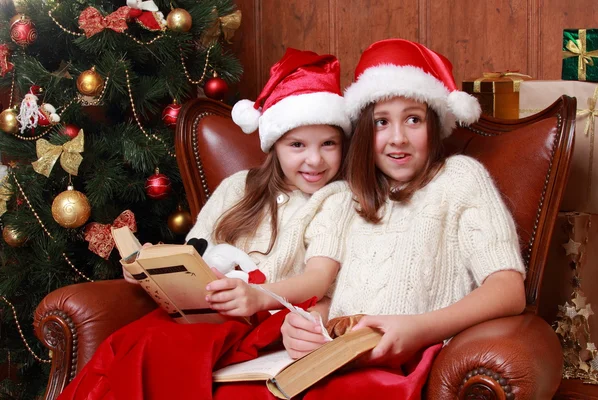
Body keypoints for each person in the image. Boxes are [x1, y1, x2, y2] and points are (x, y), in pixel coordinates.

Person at [215, 38, 527, 399]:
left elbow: (508, 290)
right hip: (337, 358)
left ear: (434, 124)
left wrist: (419, 329)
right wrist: (305, 324)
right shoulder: (347, 196)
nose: (398, 139)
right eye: (381, 122)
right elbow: (333, 294)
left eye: (413, 119)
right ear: (364, 130)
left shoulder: (459, 179)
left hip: (404, 365)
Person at [58, 48, 351, 400]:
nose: (314, 159)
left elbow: (319, 278)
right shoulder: (237, 187)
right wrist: (149, 265)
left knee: (167, 350)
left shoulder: (336, 197)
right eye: (298, 145)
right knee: (126, 346)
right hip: (203, 313)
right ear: (274, 146)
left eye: (329, 144)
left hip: (262, 320)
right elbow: (193, 255)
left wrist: (258, 296)